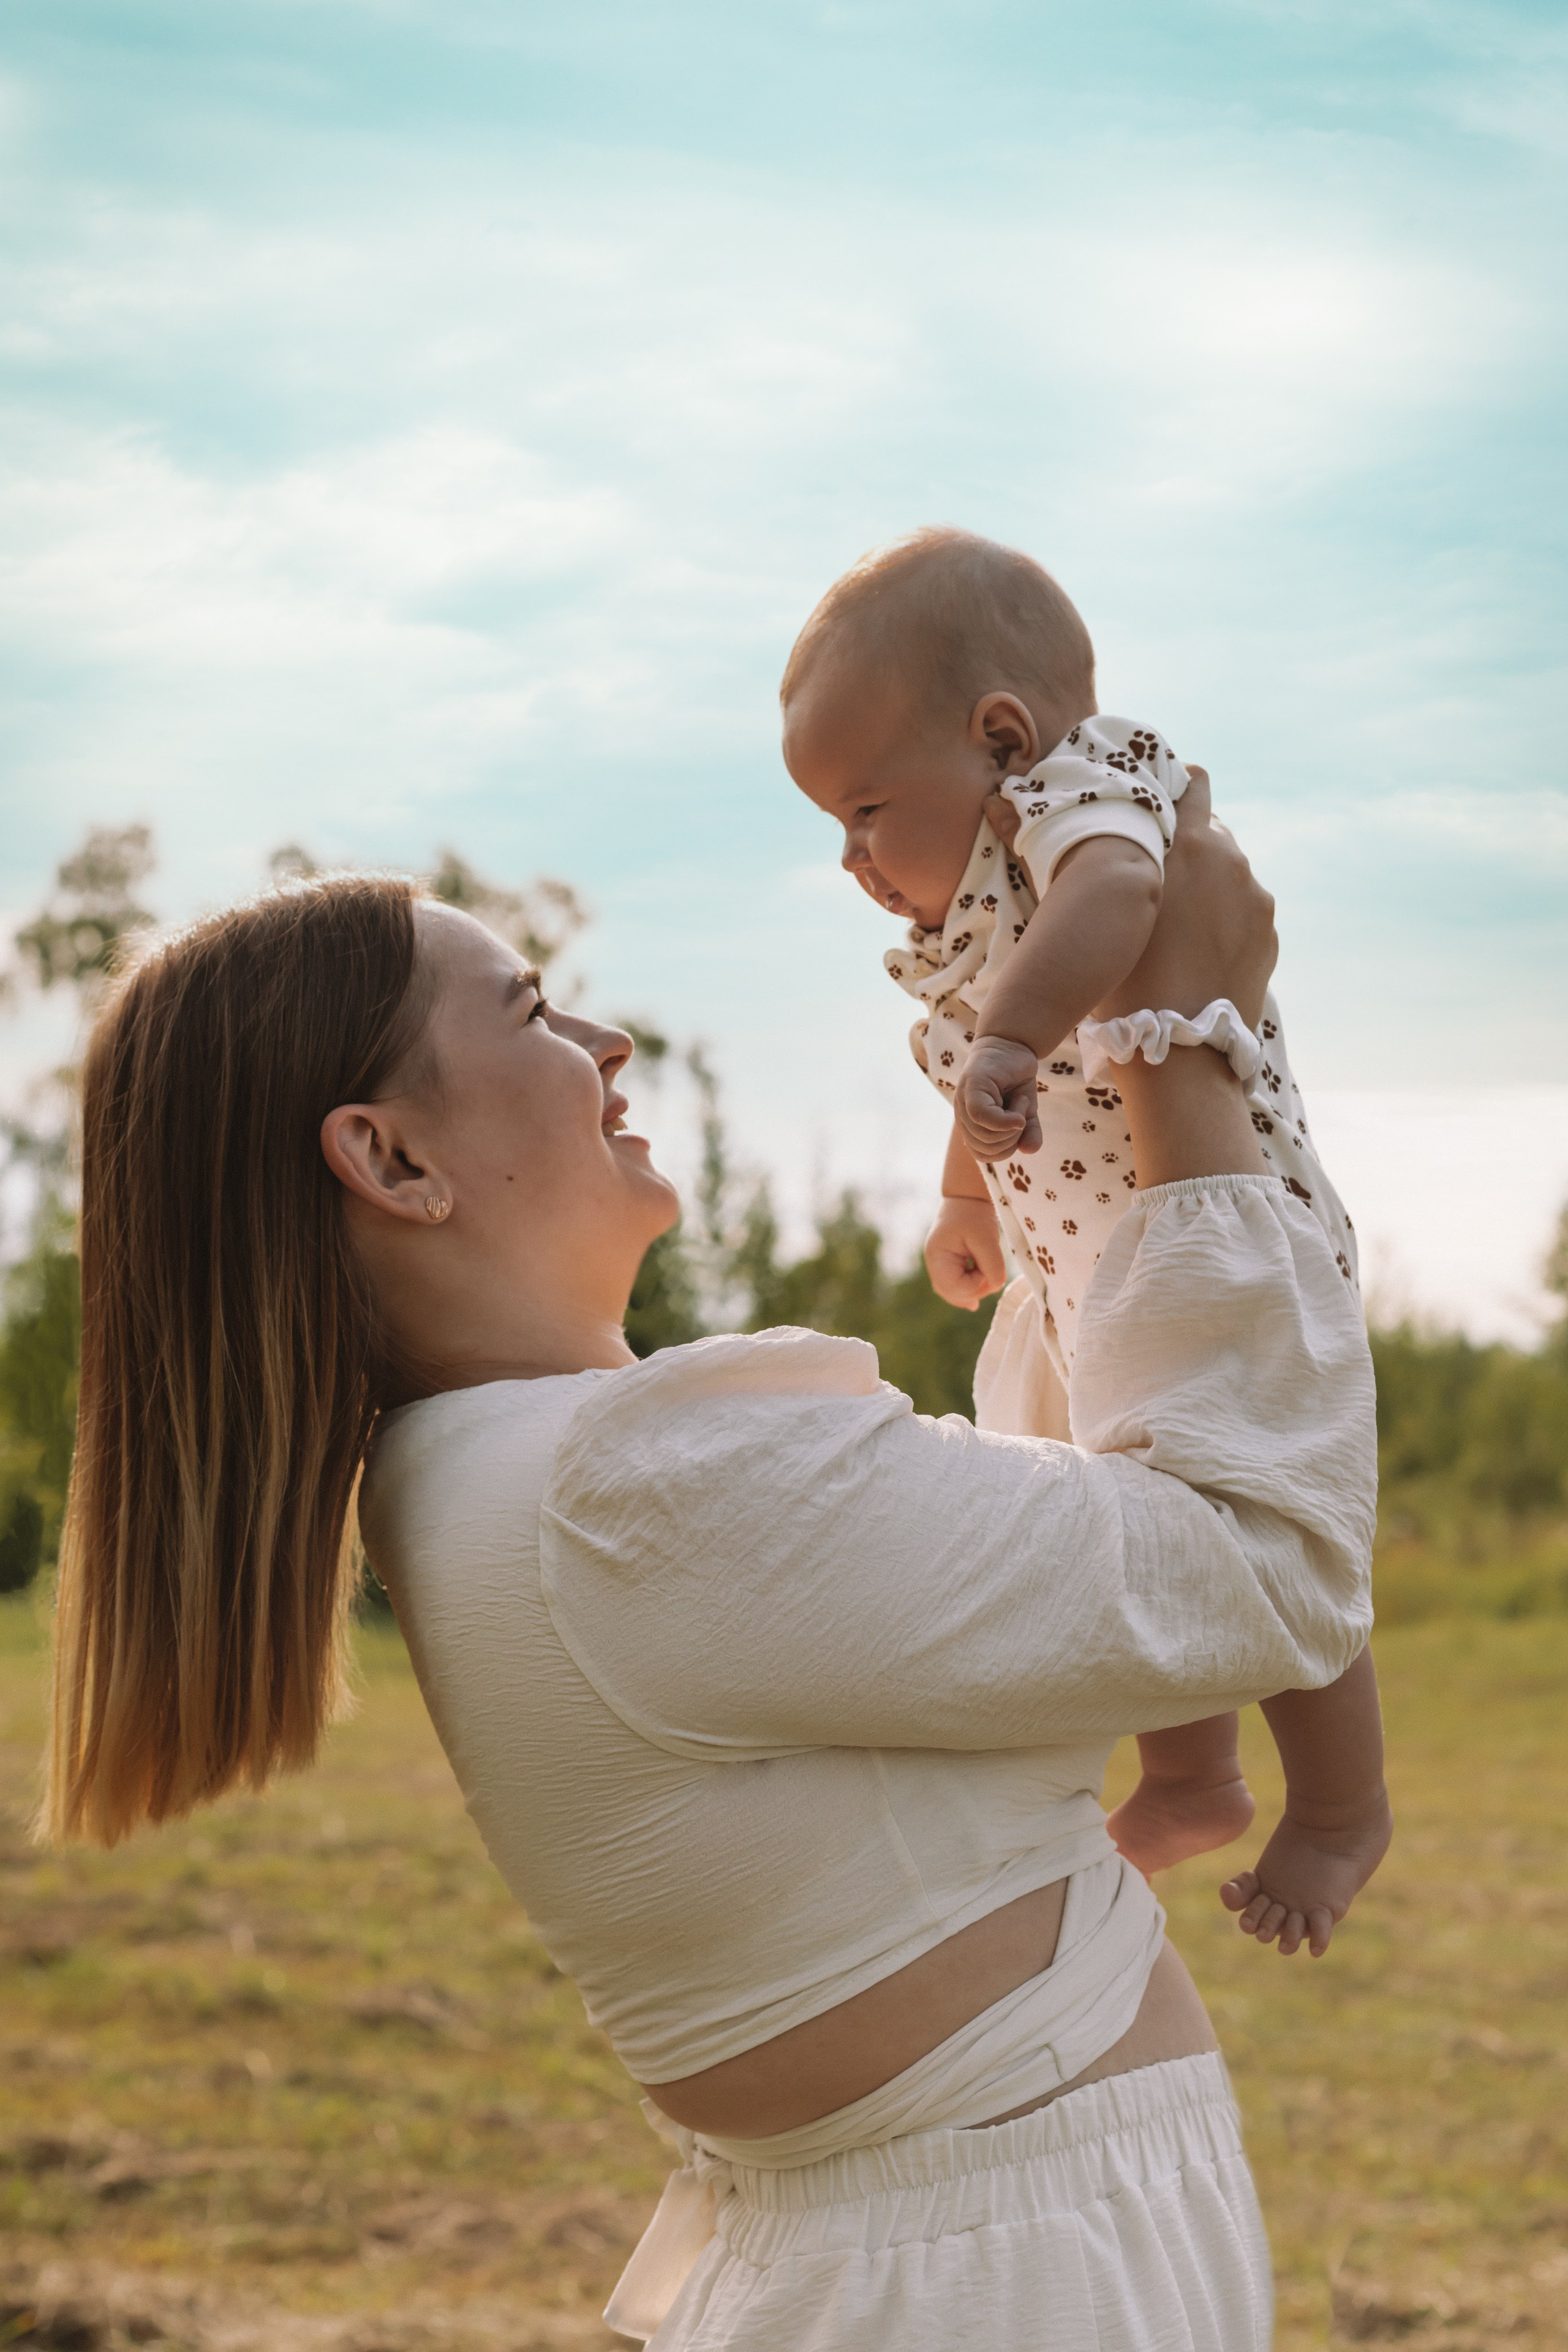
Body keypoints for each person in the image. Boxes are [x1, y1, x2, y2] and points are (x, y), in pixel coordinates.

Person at [46, 799, 1377, 2351]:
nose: (605, 1042)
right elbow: (1257, 1562)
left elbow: (1067, 1537)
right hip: (999, 2292)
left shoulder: (493, 1476)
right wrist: (1176, 1044)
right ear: (393, 1159)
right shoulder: (629, 1486)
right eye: (530, 1012)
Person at [783, 525, 1390, 1938]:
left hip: (1222, 1234)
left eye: (864, 809)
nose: (851, 858)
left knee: (1261, 1513)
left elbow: (1113, 910)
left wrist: (1007, 1041)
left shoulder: (1085, 792)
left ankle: (1338, 1810)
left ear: (1000, 738)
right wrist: (963, 1195)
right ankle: (1189, 1775)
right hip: (1093, 1275)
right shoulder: (989, 920)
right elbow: (976, 1052)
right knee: (1141, 1518)